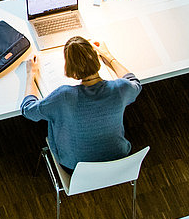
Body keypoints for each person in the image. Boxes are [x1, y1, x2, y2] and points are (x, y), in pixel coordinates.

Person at [21, 36, 143, 170]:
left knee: (51, 118)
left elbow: (28, 109)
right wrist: (109, 56)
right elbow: (134, 82)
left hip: (76, 167)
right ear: (96, 58)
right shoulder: (121, 88)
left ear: (69, 67)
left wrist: (30, 74)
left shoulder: (65, 96)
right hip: (120, 160)